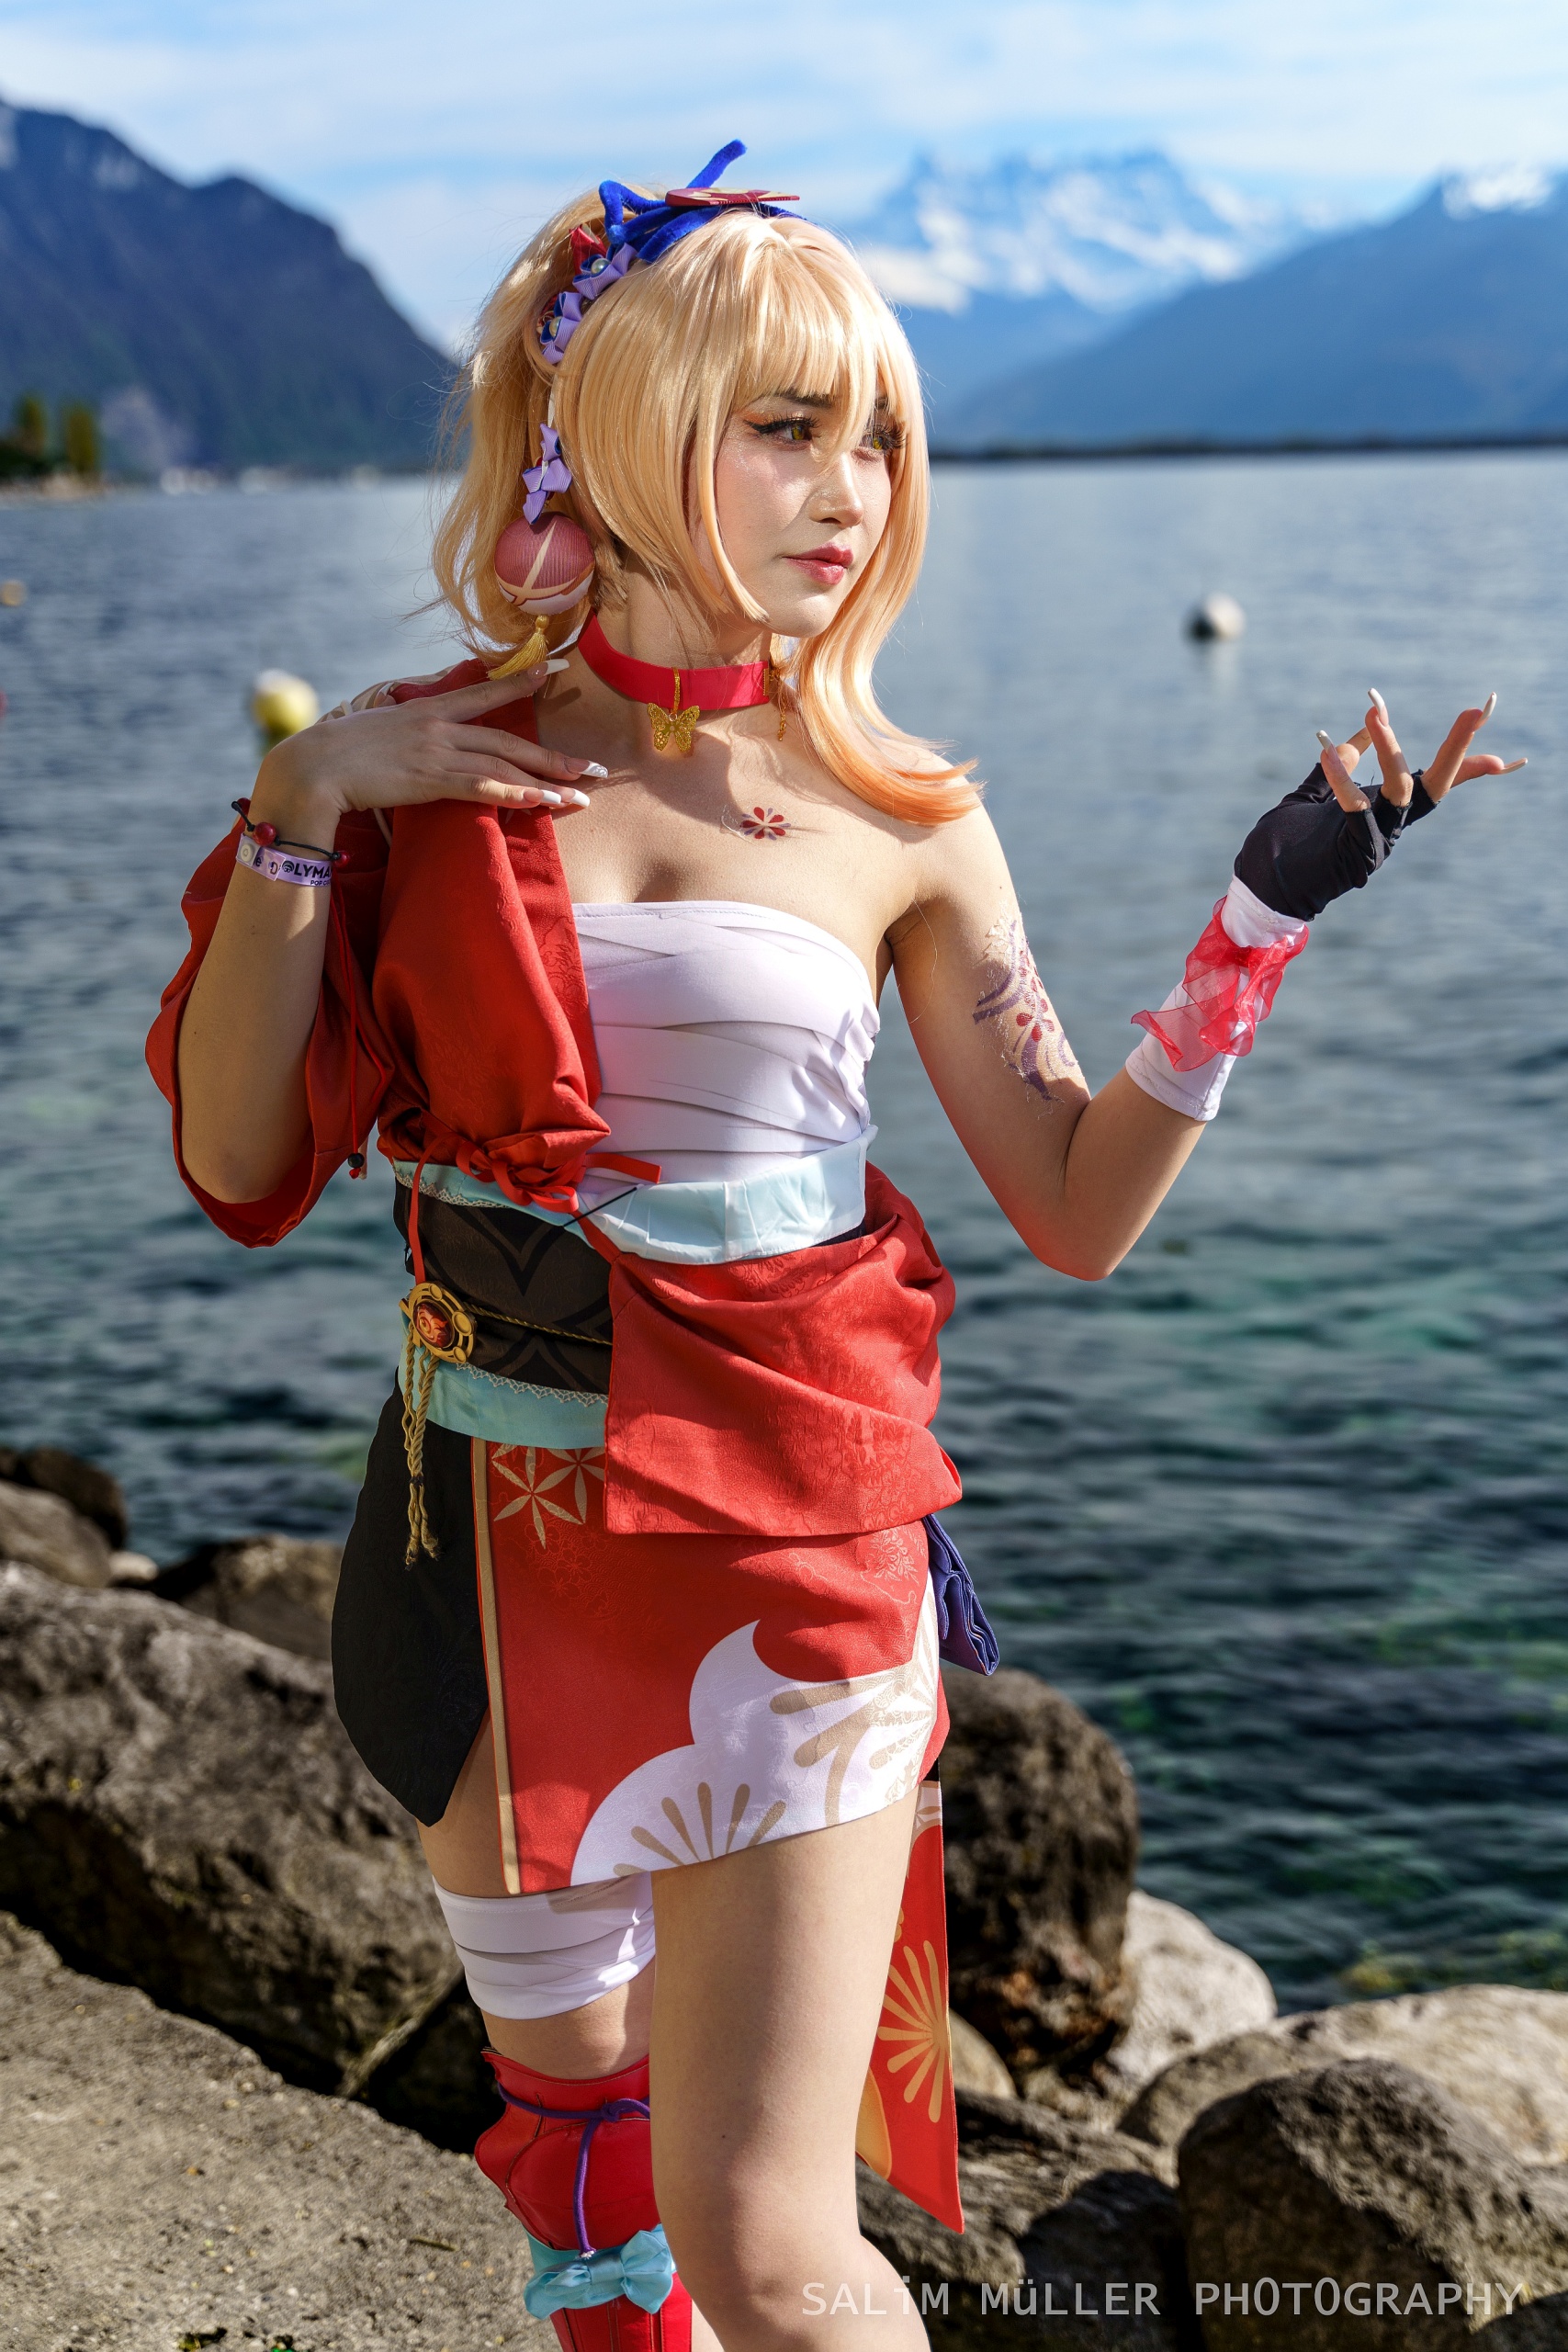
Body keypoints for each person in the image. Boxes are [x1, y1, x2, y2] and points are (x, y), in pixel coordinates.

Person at [150, 141, 1523, 2352]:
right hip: (477, 1554)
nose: (851, 487)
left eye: (878, 432)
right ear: (624, 432)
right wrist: (307, 806)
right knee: (583, 2189)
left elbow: (1071, 1202)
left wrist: (1259, 915)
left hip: (788, 1562)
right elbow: (234, 1148)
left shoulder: (902, 807)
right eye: (787, 425)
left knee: (773, 2259)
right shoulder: (420, 769)